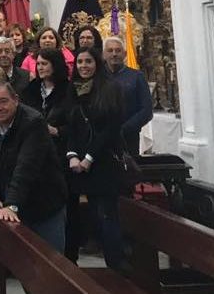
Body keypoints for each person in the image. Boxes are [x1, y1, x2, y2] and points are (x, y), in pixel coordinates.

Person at [0, 82, 68, 252]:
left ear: (16, 100)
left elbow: (26, 167)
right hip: (14, 201)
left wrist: (12, 204)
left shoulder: (33, 122)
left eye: (4, 101)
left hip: (44, 205)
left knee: (50, 265)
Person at [66, 48, 126, 269]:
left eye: (88, 61)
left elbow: (109, 129)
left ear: (97, 63)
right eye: (80, 61)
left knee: (107, 216)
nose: (83, 66)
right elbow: (72, 126)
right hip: (80, 164)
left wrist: (89, 157)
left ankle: (116, 269)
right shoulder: (74, 89)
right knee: (91, 217)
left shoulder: (110, 89)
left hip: (103, 162)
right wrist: (72, 155)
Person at [22, 49, 75, 162]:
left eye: (44, 64)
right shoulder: (30, 89)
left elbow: (76, 123)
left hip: (60, 150)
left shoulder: (69, 90)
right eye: (38, 64)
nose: (40, 67)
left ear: (55, 64)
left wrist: (57, 131)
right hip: (33, 149)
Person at [103, 36, 153, 154]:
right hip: (102, 138)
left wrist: (124, 129)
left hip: (129, 138)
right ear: (104, 54)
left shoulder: (136, 77)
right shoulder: (98, 77)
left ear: (125, 54)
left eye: (118, 50)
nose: (114, 54)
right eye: (110, 50)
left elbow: (146, 111)